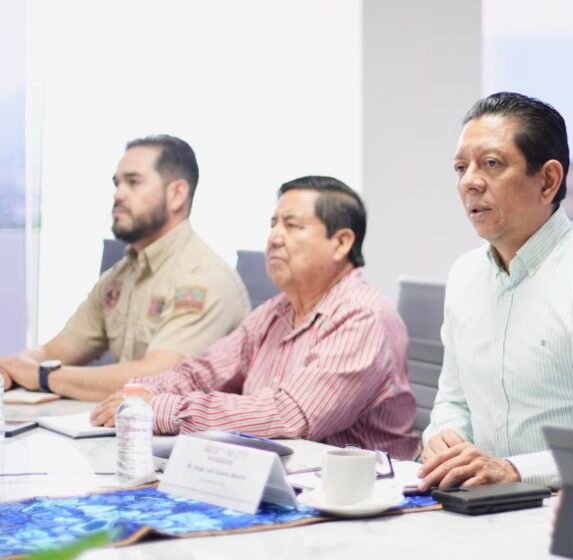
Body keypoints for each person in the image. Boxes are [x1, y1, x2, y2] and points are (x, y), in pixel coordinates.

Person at [417, 92, 573, 490]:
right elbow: (453, 400)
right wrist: (445, 438)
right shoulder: (464, 275)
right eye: (461, 168)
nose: (469, 182)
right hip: (479, 501)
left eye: (492, 164)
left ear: (548, 181)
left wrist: (515, 471)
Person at [90, 176, 419, 459]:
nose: (274, 237)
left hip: (369, 495)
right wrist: (140, 394)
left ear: (342, 242)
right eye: (273, 224)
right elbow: (202, 372)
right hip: (280, 477)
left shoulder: (362, 316)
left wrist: (161, 408)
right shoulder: (278, 310)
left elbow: (289, 415)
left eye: (292, 226)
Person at [0, 135, 249, 401]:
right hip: (121, 422)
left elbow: (157, 379)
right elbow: (54, 351)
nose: (118, 194)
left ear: (177, 194)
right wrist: (12, 368)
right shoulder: (119, 277)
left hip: (180, 428)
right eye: (117, 183)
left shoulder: (205, 277)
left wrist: (43, 376)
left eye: (133, 182)